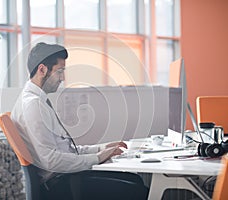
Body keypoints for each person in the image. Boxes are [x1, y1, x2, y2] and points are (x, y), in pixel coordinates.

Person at [11, 42, 148, 200]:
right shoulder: (33, 104)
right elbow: (51, 160)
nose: (63, 78)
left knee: (135, 179)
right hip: (60, 186)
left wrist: (102, 149)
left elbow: (66, 150)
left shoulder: (36, 101)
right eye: (60, 71)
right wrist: (97, 157)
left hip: (64, 178)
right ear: (42, 69)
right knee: (136, 189)